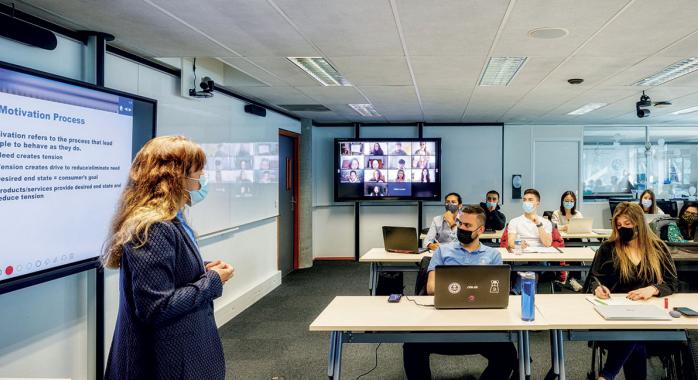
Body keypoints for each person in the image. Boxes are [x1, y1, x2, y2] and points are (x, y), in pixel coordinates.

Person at [103, 136, 234, 380]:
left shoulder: (170, 219)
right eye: (198, 170)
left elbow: (168, 274)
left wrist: (202, 269)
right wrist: (212, 280)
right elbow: (157, 307)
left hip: (181, 347)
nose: (203, 176)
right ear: (175, 176)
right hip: (166, 359)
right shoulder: (153, 227)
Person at [404, 205, 518, 380]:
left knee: (507, 354)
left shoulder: (493, 255)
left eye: (467, 226)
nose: (462, 228)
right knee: (412, 346)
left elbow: (499, 293)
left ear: (480, 230)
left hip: (481, 323)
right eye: (460, 223)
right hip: (443, 320)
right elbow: (431, 288)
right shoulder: (443, 251)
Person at [590, 202, 678, 380]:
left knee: (636, 335)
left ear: (639, 223)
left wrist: (653, 289)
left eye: (627, 224)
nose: (622, 228)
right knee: (635, 336)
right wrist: (597, 288)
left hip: (654, 318)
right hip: (614, 318)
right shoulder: (608, 248)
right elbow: (593, 279)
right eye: (619, 225)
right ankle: (607, 375)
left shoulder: (658, 248)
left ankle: (606, 375)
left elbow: (671, 283)